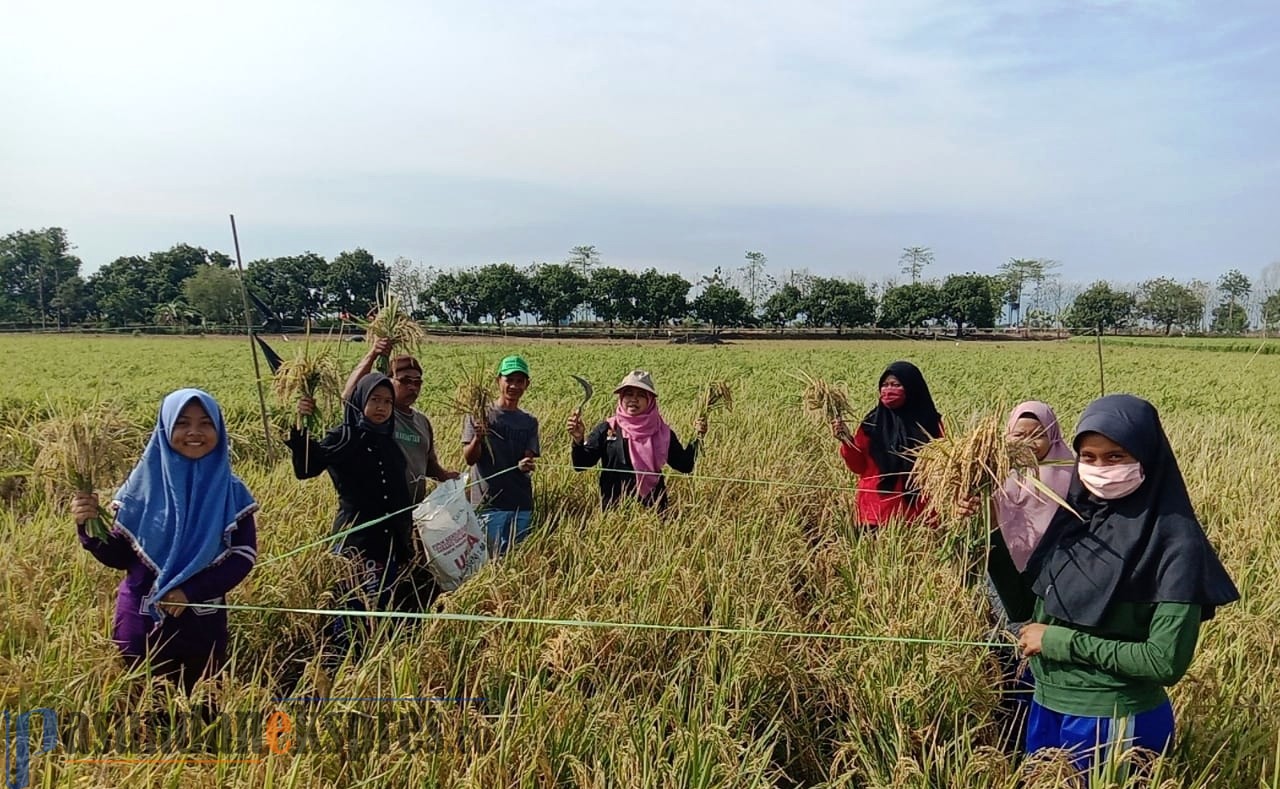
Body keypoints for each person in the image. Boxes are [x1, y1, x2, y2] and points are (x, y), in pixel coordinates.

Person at [987, 394, 1239, 774]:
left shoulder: (1175, 544)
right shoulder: (1074, 518)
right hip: (1047, 708)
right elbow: (1026, 609)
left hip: (1114, 721)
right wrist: (988, 529)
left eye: (1115, 456)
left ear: (1146, 458)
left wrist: (1057, 641)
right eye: (1088, 457)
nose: (1099, 468)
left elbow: (1163, 661)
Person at [74, 389, 258, 694]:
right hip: (141, 625)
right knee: (142, 718)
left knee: (203, 715)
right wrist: (88, 527)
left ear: (219, 429)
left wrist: (191, 591)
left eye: (206, 423)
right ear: (165, 428)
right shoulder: (140, 487)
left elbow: (243, 556)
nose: (195, 432)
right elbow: (121, 556)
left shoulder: (231, 492)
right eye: (182, 423)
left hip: (202, 627)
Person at [287, 372, 428, 663]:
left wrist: (407, 538)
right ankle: (342, 672)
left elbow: (398, 494)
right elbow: (306, 467)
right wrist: (302, 424)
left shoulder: (389, 441)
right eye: (375, 400)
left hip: (388, 547)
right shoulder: (344, 437)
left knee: (380, 613)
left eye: (388, 401)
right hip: (356, 546)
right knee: (350, 616)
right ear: (359, 400)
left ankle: (370, 667)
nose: (382, 407)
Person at [567, 370, 708, 512]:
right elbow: (581, 464)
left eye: (641, 395)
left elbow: (684, 465)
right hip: (613, 513)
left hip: (653, 510)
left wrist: (697, 437)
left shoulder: (662, 433)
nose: (634, 399)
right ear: (621, 397)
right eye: (629, 394)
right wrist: (578, 439)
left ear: (650, 400)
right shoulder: (607, 429)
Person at [342, 338, 459, 503]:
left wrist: (445, 476)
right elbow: (349, 397)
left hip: (412, 514)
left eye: (417, 382)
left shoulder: (422, 421)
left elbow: (429, 463)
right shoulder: (379, 416)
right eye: (404, 381)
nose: (412, 387)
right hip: (381, 511)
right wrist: (373, 354)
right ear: (388, 381)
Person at [829, 361, 943, 528]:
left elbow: (941, 467)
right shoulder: (872, 423)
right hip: (875, 513)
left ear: (912, 388)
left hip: (917, 513)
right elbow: (859, 466)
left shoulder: (931, 424)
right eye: (885, 385)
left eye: (896, 385)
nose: (888, 390)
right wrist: (847, 441)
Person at [461, 355, 540, 557]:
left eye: (519, 381)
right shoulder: (479, 414)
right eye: (509, 380)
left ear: (526, 384)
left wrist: (526, 464)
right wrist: (478, 439)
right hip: (489, 504)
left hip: (521, 504)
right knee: (489, 561)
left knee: (517, 559)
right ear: (499, 381)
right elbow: (470, 459)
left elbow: (528, 457)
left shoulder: (529, 421)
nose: (514, 386)